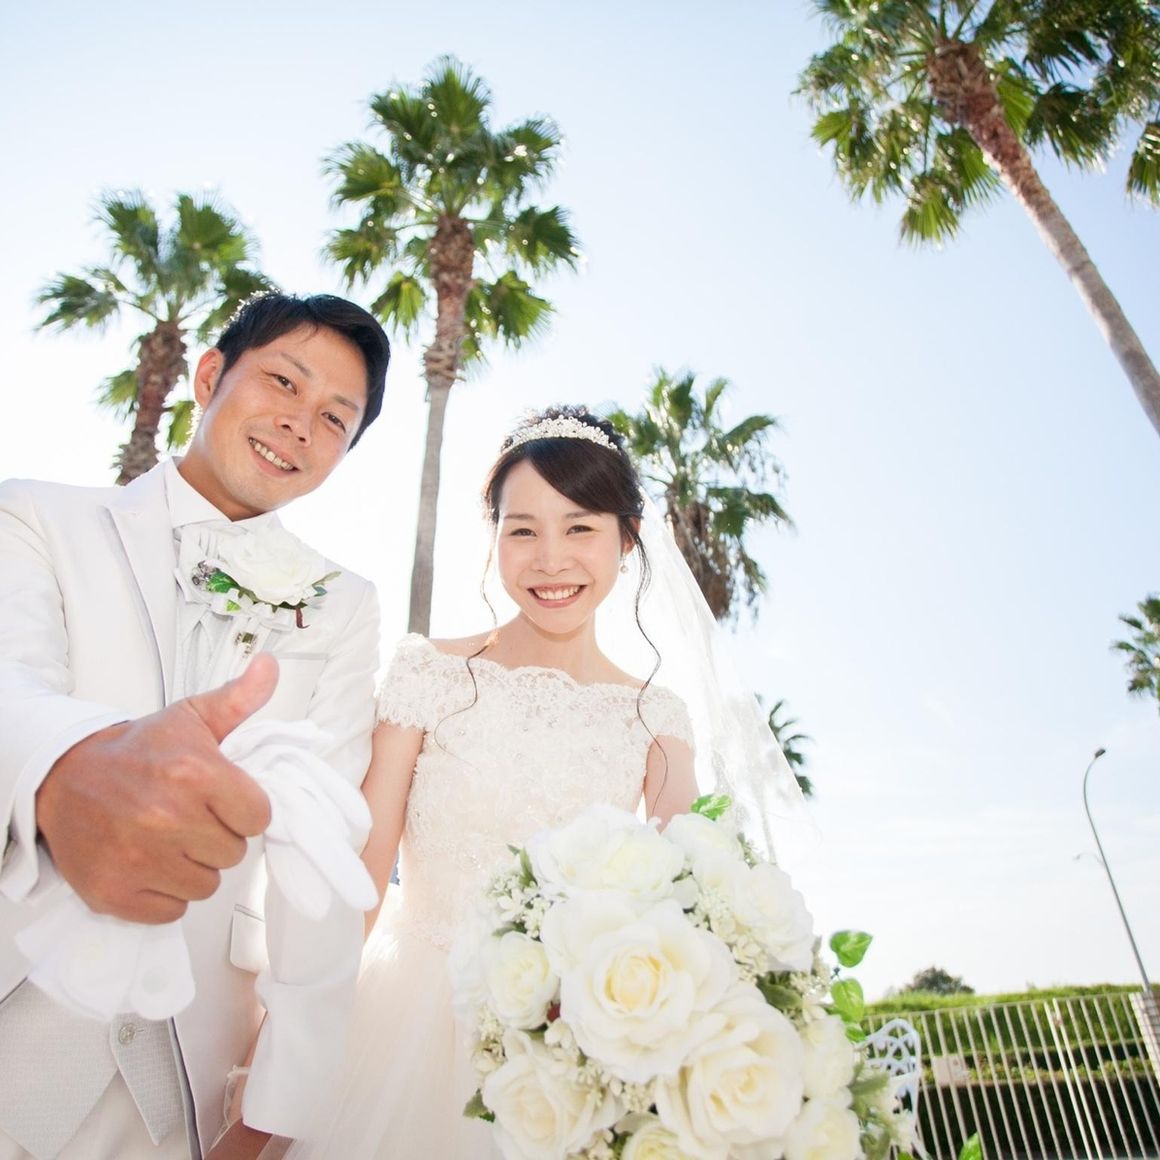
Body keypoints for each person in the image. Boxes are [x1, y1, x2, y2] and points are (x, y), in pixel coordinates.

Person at [0, 291, 390, 1160]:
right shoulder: (36, 517)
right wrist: (66, 773)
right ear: (210, 375)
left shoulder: (341, 605)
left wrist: (271, 1113)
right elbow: (8, 686)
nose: (299, 424)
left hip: (184, 1082)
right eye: (283, 382)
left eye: (335, 418)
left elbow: (325, 852)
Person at [280, 406, 700, 1159]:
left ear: (626, 539)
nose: (550, 560)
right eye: (523, 530)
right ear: (495, 537)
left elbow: (684, 908)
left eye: (580, 528)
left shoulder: (656, 718)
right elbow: (363, 875)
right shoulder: (428, 674)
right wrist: (288, 1037)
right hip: (401, 1026)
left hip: (567, 1050)